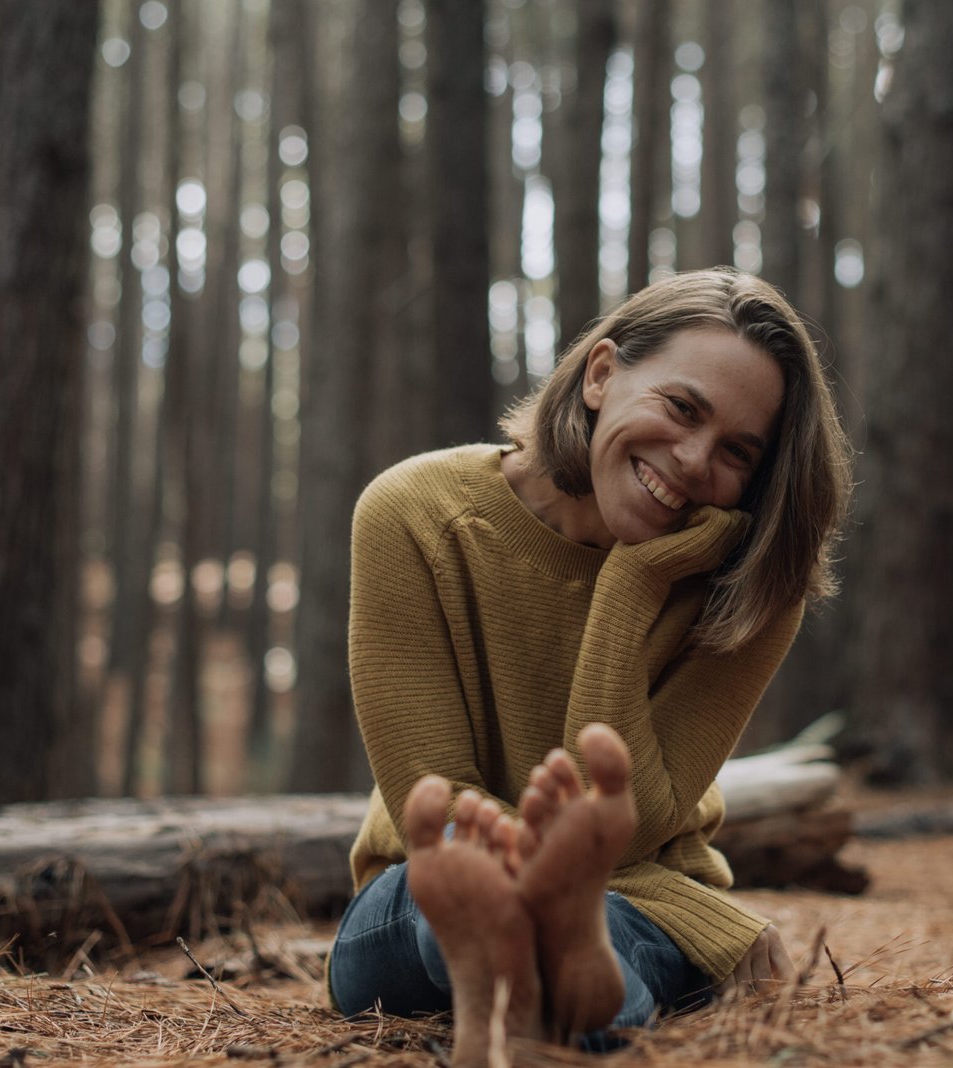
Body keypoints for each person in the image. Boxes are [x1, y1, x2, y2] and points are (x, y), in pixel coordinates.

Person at [326, 267, 852, 1064]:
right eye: (682, 408)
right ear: (601, 374)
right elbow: (433, 804)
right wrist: (685, 912)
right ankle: (535, 969)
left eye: (736, 452)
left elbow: (632, 824)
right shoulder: (415, 513)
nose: (692, 461)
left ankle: (533, 1001)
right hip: (420, 893)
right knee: (463, 889)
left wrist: (631, 587)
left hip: (627, 913)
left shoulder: (750, 587)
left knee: (598, 940)